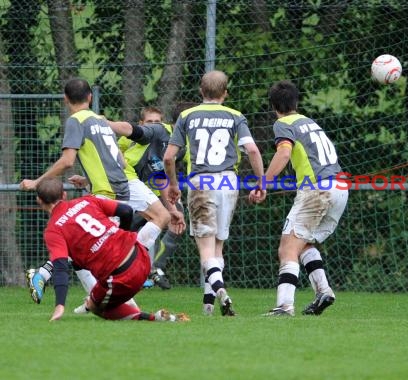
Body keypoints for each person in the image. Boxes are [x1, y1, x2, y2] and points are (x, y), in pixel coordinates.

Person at [21, 78, 173, 306]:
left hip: (112, 188)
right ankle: (94, 295)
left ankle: (53, 276)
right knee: (95, 244)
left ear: (65, 99)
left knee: (98, 242)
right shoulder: (100, 120)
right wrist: (89, 178)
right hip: (118, 186)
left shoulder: (76, 121)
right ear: (90, 97)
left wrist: (37, 181)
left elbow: (68, 160)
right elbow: (116, 160)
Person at [163, 70, 264, 316]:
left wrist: (173, 184)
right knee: (218, 248)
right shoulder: (235, 116)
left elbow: (169, 157)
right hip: (228, 182)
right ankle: (208, 308)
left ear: (201, 91)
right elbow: (251, 150)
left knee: (206, 250)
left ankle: (221, 292)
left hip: (201, 182)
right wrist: (261, 182)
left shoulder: (187, 115)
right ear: (225, 93)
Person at [249, 80, 349, 316]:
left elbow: (284, 152)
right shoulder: (310, 122)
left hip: (318, 190)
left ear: (273, 105)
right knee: (304, 243)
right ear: (296, 102)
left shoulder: (283, 123)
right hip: (340, 188)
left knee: (287, 248)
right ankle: (323, 291)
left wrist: (263, 183)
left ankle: (284, 306)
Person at [34, 177, 188, 322]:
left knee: (96, 307)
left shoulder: (53, 230)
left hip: (121, 277)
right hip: (141, 256)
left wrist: (59, 306)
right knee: (87, 282)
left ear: (39, 200)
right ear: (64, 194)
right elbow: (126, 211)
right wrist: (123, 235)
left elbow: (60, 267)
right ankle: (97, 298)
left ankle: (154, 319)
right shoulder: (87, 201)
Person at [118, 106, 189, 289]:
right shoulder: (134, 140)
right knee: (117, 232)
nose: (154, 126)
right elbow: (114, 159)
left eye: (157, 122)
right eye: (150, 122)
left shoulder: (177, 143)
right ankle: (129, 268)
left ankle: (152, 267)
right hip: (131, 187)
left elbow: (159, 172)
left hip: (152, 189)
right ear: (142, 124)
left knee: (172, 220)